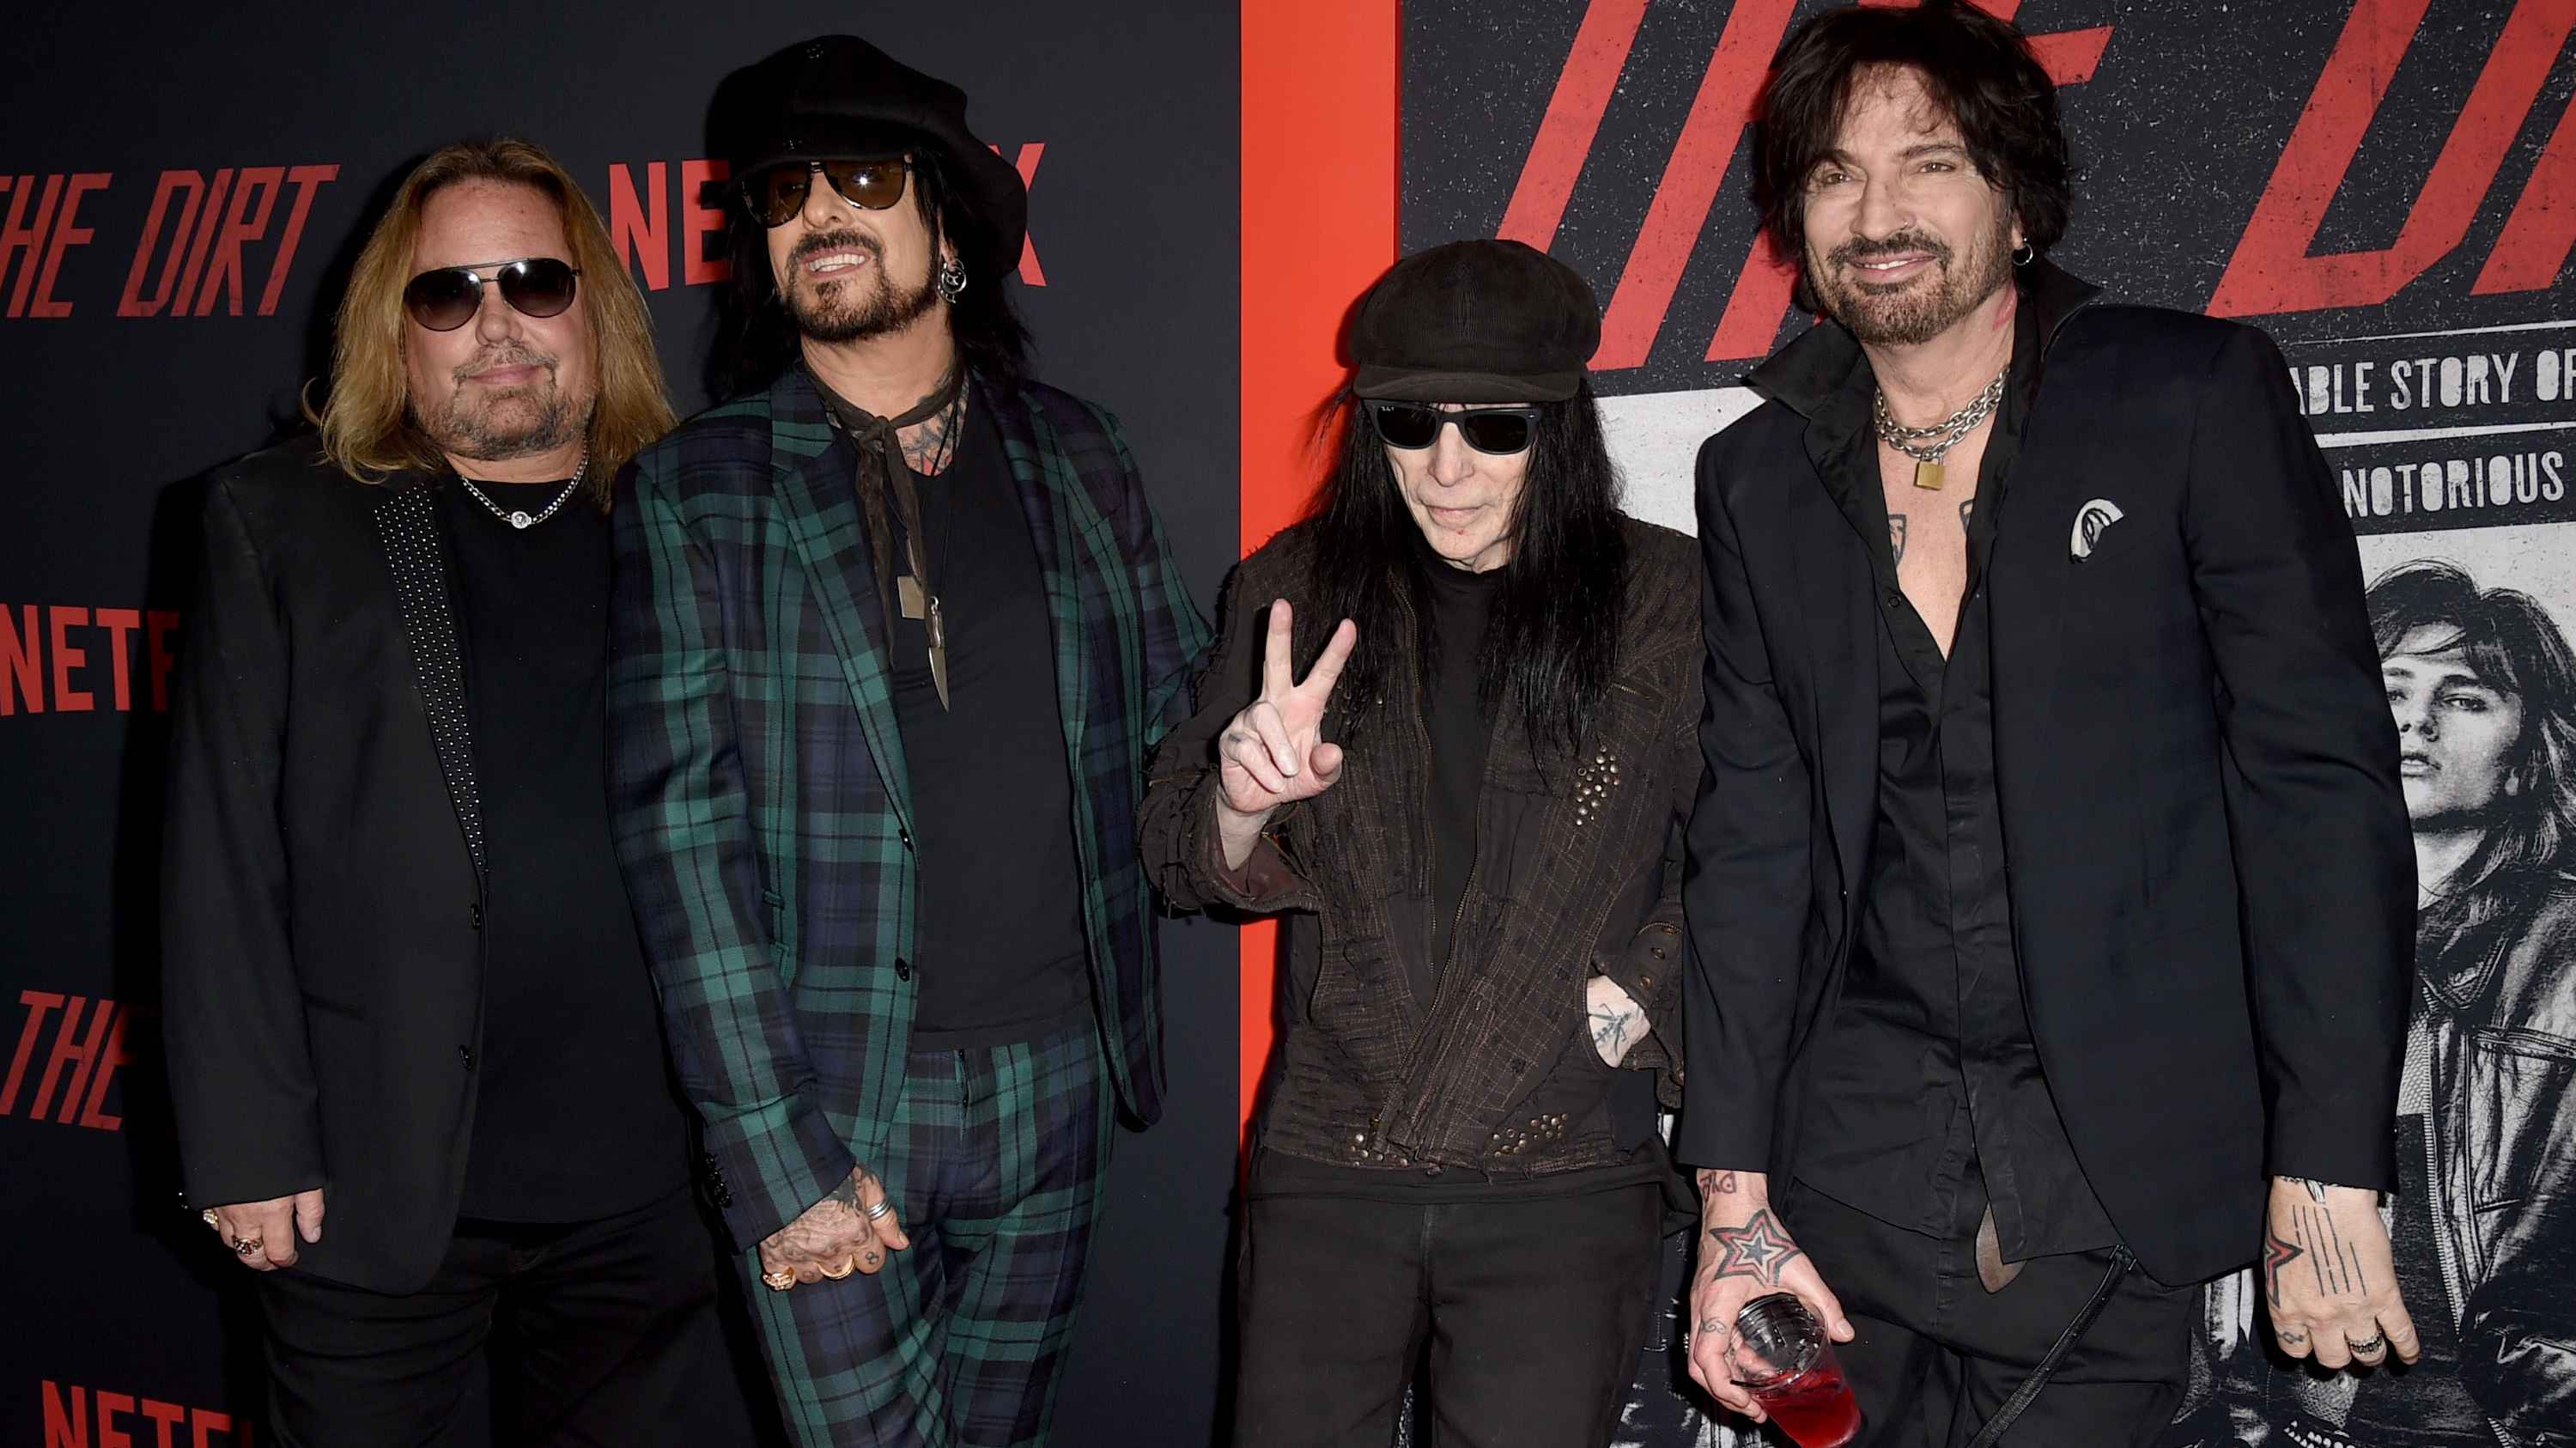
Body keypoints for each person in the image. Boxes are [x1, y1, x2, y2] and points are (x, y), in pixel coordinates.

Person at [1674, 3, 2418, 1443]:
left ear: (2017, 201)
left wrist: (2330, 1164)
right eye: (1834, 174)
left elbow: (2318, 788)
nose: (1877, 215)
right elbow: (1752, 851)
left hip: (2114, 1192)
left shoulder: (2188, 396)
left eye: (1929, 164)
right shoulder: (1754, 477)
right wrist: (1734, 1205)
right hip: (1849, 1196)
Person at [606, 34, 1208, 1448]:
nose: (820, 210)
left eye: (864, 178)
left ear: (948, 227)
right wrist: (779, 1158)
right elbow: (681, 845)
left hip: (1059, 1081)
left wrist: (1266, 764)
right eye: (784, 190)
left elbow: (1180, 717)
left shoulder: (1082, 453)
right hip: (834, 1104)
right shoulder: (696, 490)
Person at [162, 137, 749, 1446]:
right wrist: (246, 1141)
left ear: (595, 307)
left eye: (535, 281)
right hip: (369, 1183)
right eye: (447, 293)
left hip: (647, 1191)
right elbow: (219, 851)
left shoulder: (692, 515)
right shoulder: (282, 519)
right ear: (396, 327)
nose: (497, 326)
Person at [1139, 239, 1699, 1446]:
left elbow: (1753, 859)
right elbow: (1178, 853)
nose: (1446, 469)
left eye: (1493, 428)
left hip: (1562, 1165)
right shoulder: (1293, 585)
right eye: (1409, 422)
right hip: (1329, 1160)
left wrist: (1624, 1007)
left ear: (1560, 427)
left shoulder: (1668, 596)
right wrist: (1242, 799)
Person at [2354, 562, 2574, 1445]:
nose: (2416, 720)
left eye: (2465, 697)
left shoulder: (2565, 950)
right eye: (2391, 688)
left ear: (2528, 759)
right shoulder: (2267, 937)